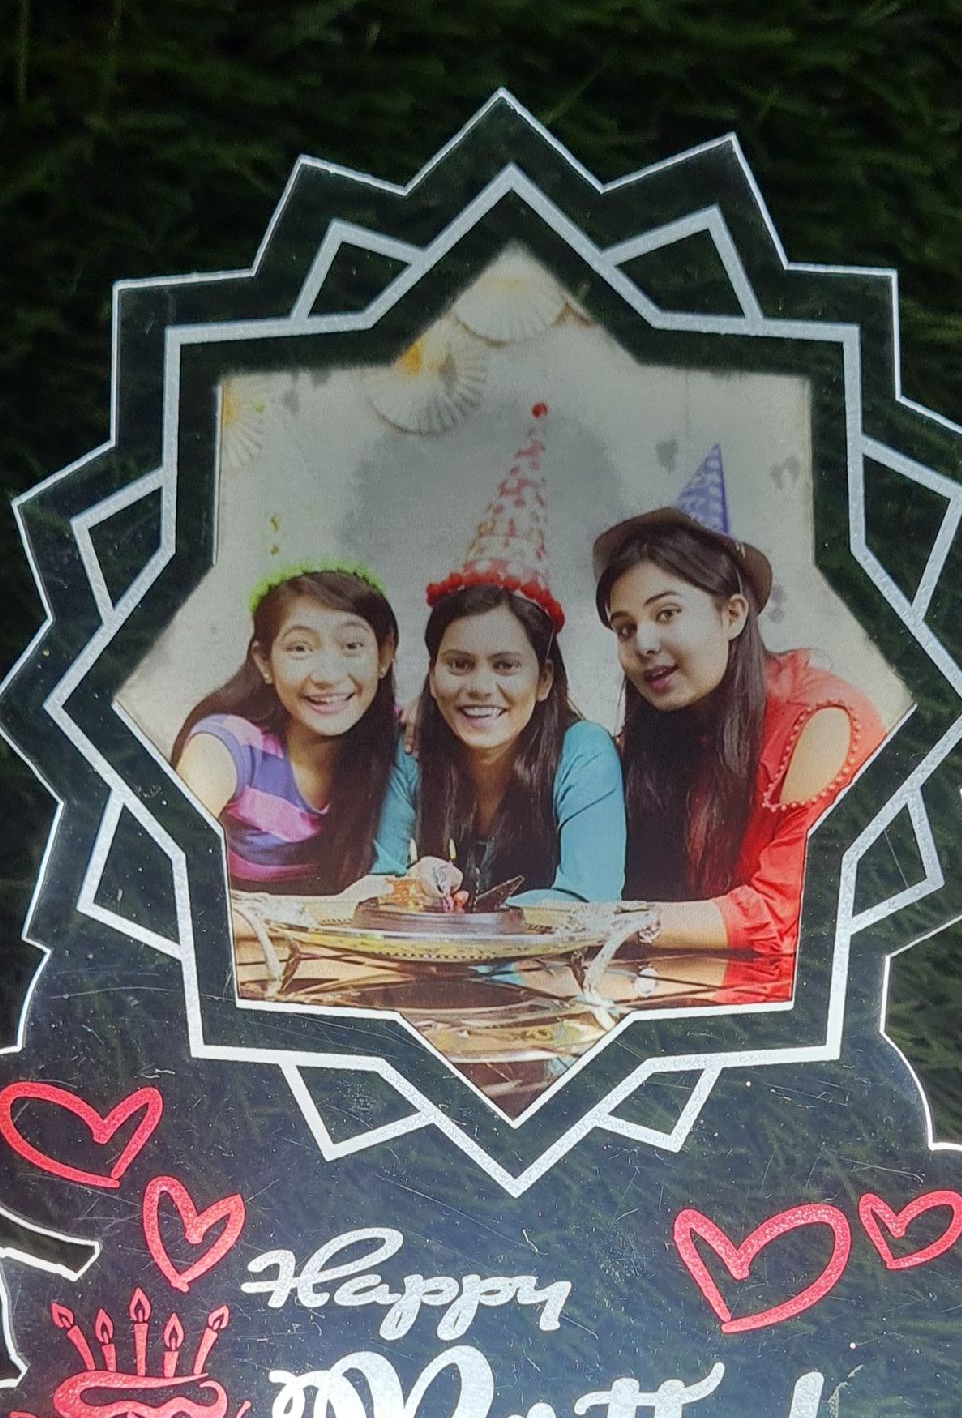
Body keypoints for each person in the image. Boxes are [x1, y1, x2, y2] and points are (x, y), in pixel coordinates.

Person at [594, 477, 884, 986]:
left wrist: (620, 923)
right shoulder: (657, 737)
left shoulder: (821, 721)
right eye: (625, 628)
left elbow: (790, 913)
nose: (643, 643)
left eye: (666, 613)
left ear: (732, 615)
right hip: (687, 986)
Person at [372, 404, 624, 906]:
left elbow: (589, 899)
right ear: (432, 672)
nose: (480, 687)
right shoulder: (414, 751)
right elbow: (380, 881)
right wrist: (411, 886)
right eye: (459, 664)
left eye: (505, 665)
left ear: (545, 678)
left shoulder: (583, 754)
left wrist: (475, 917)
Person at [172, 565, 399, 896]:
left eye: (351, 645)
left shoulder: (396, 739)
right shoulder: (226, 747)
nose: (327, 675)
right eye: (300, 649)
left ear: (384, 655)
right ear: (264, 662)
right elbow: (165, 876)